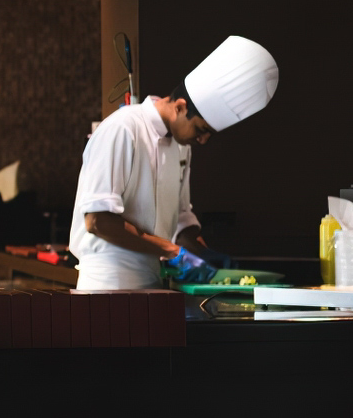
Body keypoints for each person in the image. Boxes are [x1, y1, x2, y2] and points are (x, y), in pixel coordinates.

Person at [69, 35, 277, 291]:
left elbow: (179, 219)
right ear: (180, 107)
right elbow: (98, 220)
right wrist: (172, 250)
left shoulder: (181, 146)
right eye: (201, 129)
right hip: (106, 283)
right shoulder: (123, 128)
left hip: (153, 281)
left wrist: (203, 254)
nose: (202, 140)